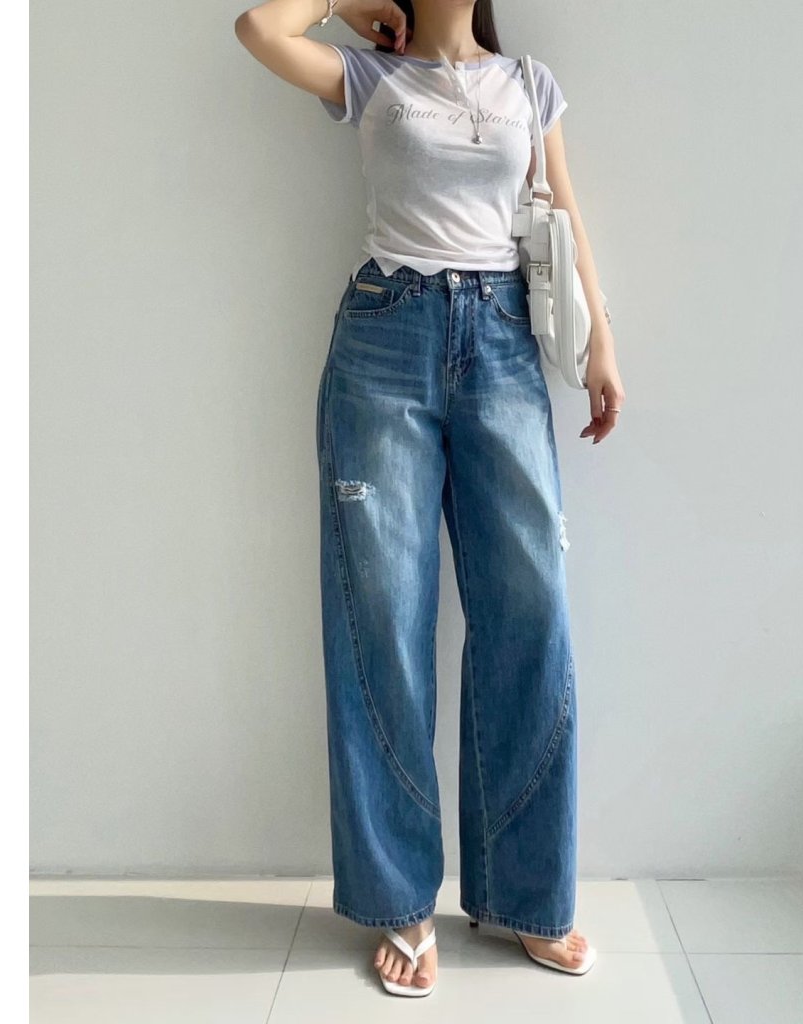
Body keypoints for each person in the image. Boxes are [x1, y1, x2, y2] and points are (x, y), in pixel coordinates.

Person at [235, 0, 625, 997]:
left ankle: (526, 894)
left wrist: (600, 343)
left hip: (502, 346)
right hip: (384, 342)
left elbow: (567, 216)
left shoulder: (529, 83)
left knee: (530, 614)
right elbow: (259, 29)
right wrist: (340, 1)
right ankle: (401, 900)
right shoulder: (371, 77)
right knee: (383, 625)